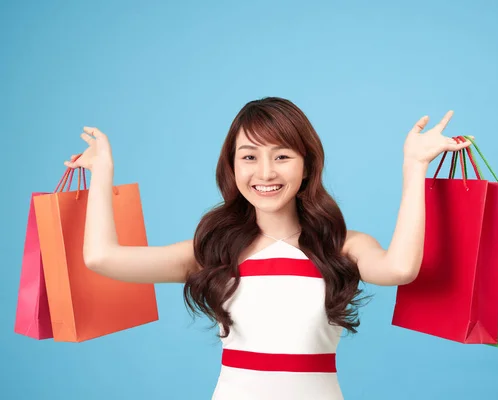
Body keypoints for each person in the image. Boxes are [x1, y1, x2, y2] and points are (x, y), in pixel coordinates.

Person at [64, 97, 471, 399]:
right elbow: (101, 257)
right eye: (249, 156)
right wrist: (102, 173)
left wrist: (414, 167)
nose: (265, 172)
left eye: (281, 156)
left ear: (307, 165)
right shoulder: (212, 252)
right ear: (232, 166)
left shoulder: (343, 246)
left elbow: (400, 269)